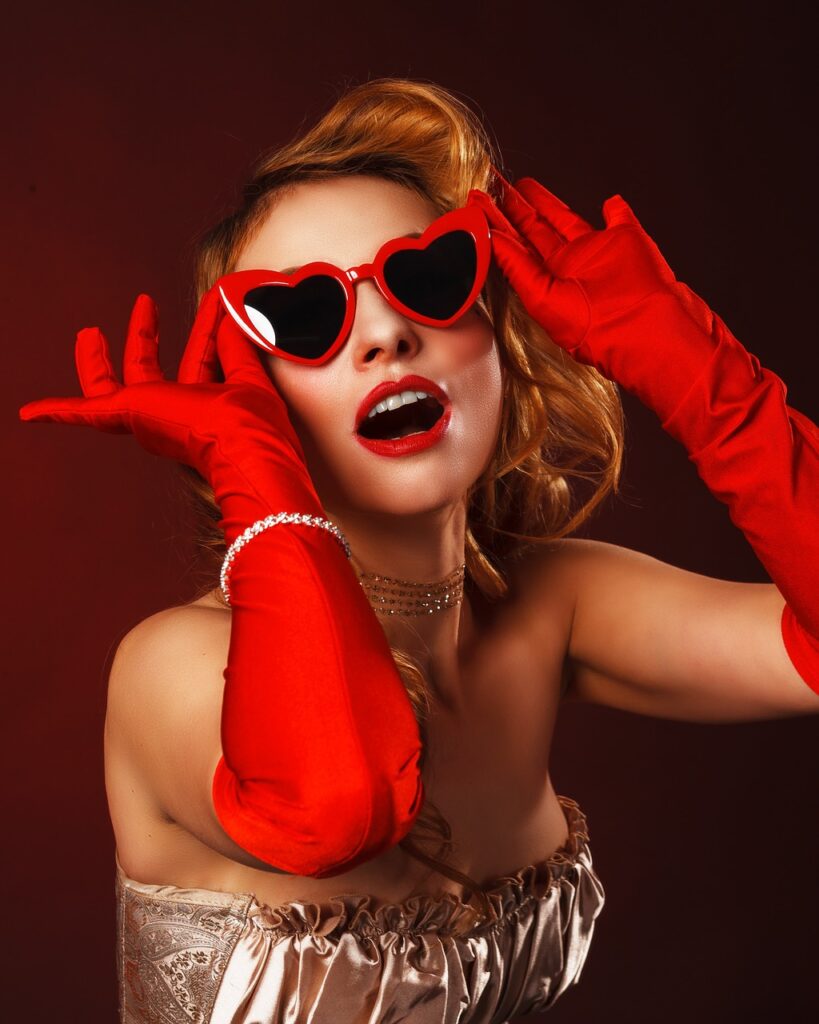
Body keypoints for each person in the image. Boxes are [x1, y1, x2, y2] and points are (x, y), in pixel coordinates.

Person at [18, 78, 819, 1023]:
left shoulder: (554, 605)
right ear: (246, 389)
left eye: (428, 279)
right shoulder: (179, 665)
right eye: (306, 318)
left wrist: (686, 360)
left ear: (497, 326)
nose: (387, 335)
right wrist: (255, 474)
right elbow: (334, 808)